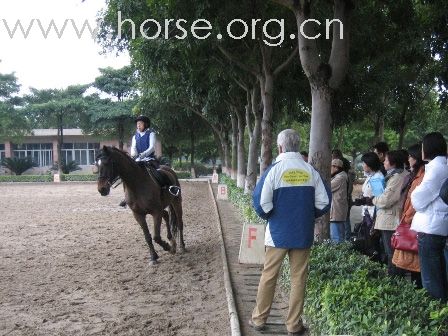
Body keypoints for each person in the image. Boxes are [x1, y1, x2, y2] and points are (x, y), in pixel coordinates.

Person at [250, 129, 330, 336]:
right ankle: (294, 325)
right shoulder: (310, 171)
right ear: (297, 145)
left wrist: (273, 217)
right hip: (302, 233)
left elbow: (260, 202)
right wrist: (306, 216)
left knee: (269, 276)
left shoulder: (273, 170)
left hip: (277, 234)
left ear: (280, 147)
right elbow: (323, 201)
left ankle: (259, 320)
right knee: (298, 279)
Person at [411, 132, 448, 302]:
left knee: (431, 280)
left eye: (423, 147)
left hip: (431, 228)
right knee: (438, 276)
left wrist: (415, 194)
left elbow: (418, 199)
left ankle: (436, 320)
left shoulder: (437, 168)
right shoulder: (440, 166)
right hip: (436, 225)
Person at [119, 115, 179, 207]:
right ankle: (127, 196)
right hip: (138, 160)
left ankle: (169, 188)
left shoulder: (151, 134)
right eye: (137, 124)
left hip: (149, 159)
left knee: (159, 172)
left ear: (146, 125)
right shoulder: (135, 136)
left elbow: (151, 147)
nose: (138, 125)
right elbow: (133, 147)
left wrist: (143, 154)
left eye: (140, 124)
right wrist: (133, 154)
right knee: (128, 175)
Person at [369, 151, 408, 275]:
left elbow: (387, 199)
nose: (384, 162)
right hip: (388, 218)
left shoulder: (397, 177)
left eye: (386, 160)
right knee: (390, 251)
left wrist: (374, 199)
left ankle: (394, 281)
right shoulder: (394, 175)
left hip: (390, 219)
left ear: (393, 162)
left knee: (391, 252)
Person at [392, 144, 425, 287]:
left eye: (411, 157)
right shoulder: (415, 175)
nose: (409, 160)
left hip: (412, 224)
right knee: (410, 266)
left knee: (416, 268)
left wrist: (406, 219)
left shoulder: (422, 177)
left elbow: (415, 204)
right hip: (408, 223)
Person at [332, 149, 355, 240]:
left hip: (338, 208)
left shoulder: (341, 177)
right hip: (341, 205)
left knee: (337, 235)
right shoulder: (343, 175)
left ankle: (347, 241)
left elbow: (327, 188)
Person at [330, 158, 348, 243]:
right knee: (338, 235)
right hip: (337, 210)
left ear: (336, 167)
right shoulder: (340, 176)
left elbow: (328, 188)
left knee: (336, 238)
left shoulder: (340, 178)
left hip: (336, 211)